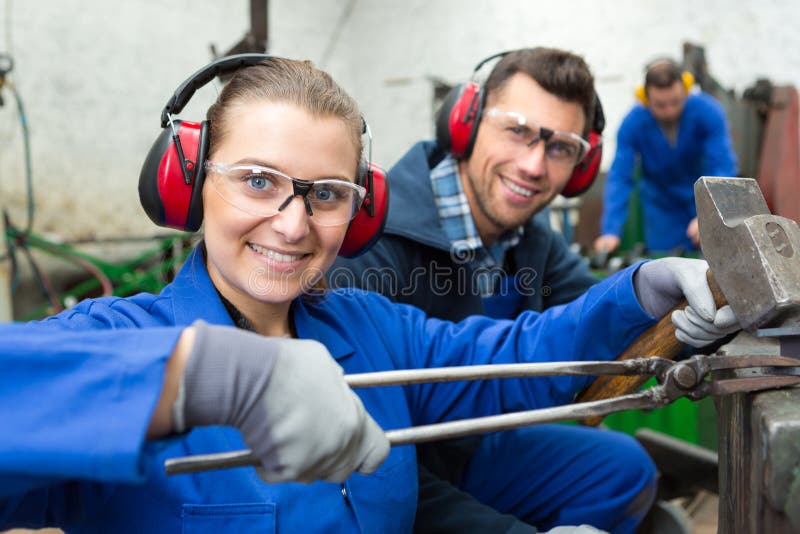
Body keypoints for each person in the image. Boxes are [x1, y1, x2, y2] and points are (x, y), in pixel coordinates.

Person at [0, 55, 738, 534]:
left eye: (325, 193)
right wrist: (194, 382)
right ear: (187, 183)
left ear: (362, 210)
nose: (292, 224)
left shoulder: (372, 330)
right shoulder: (115, 342)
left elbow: (514, 357)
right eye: (257, 180)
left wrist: (641, 291)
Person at [329, 47, 650, 533]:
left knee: (622, 472)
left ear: (580, 169)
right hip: (387, 464)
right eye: (518, 131)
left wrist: (668, 301)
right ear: (465, 123)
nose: (534, 165)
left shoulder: (531, 239)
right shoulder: (372, 240)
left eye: (560, 148)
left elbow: (596, 313)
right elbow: (354, 461)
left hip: (471, 446)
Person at [594, 58, 738, 254]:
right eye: (660, 105)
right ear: (645, 99)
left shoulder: (709, 112)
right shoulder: (632, 124)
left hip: (703, 199)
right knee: (665, 270)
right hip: (661, 210)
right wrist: (610, 230)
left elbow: (722, 165)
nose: (669, 111)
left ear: (685, 91)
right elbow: (620, 177)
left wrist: (711, 213)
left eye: (675, 102)